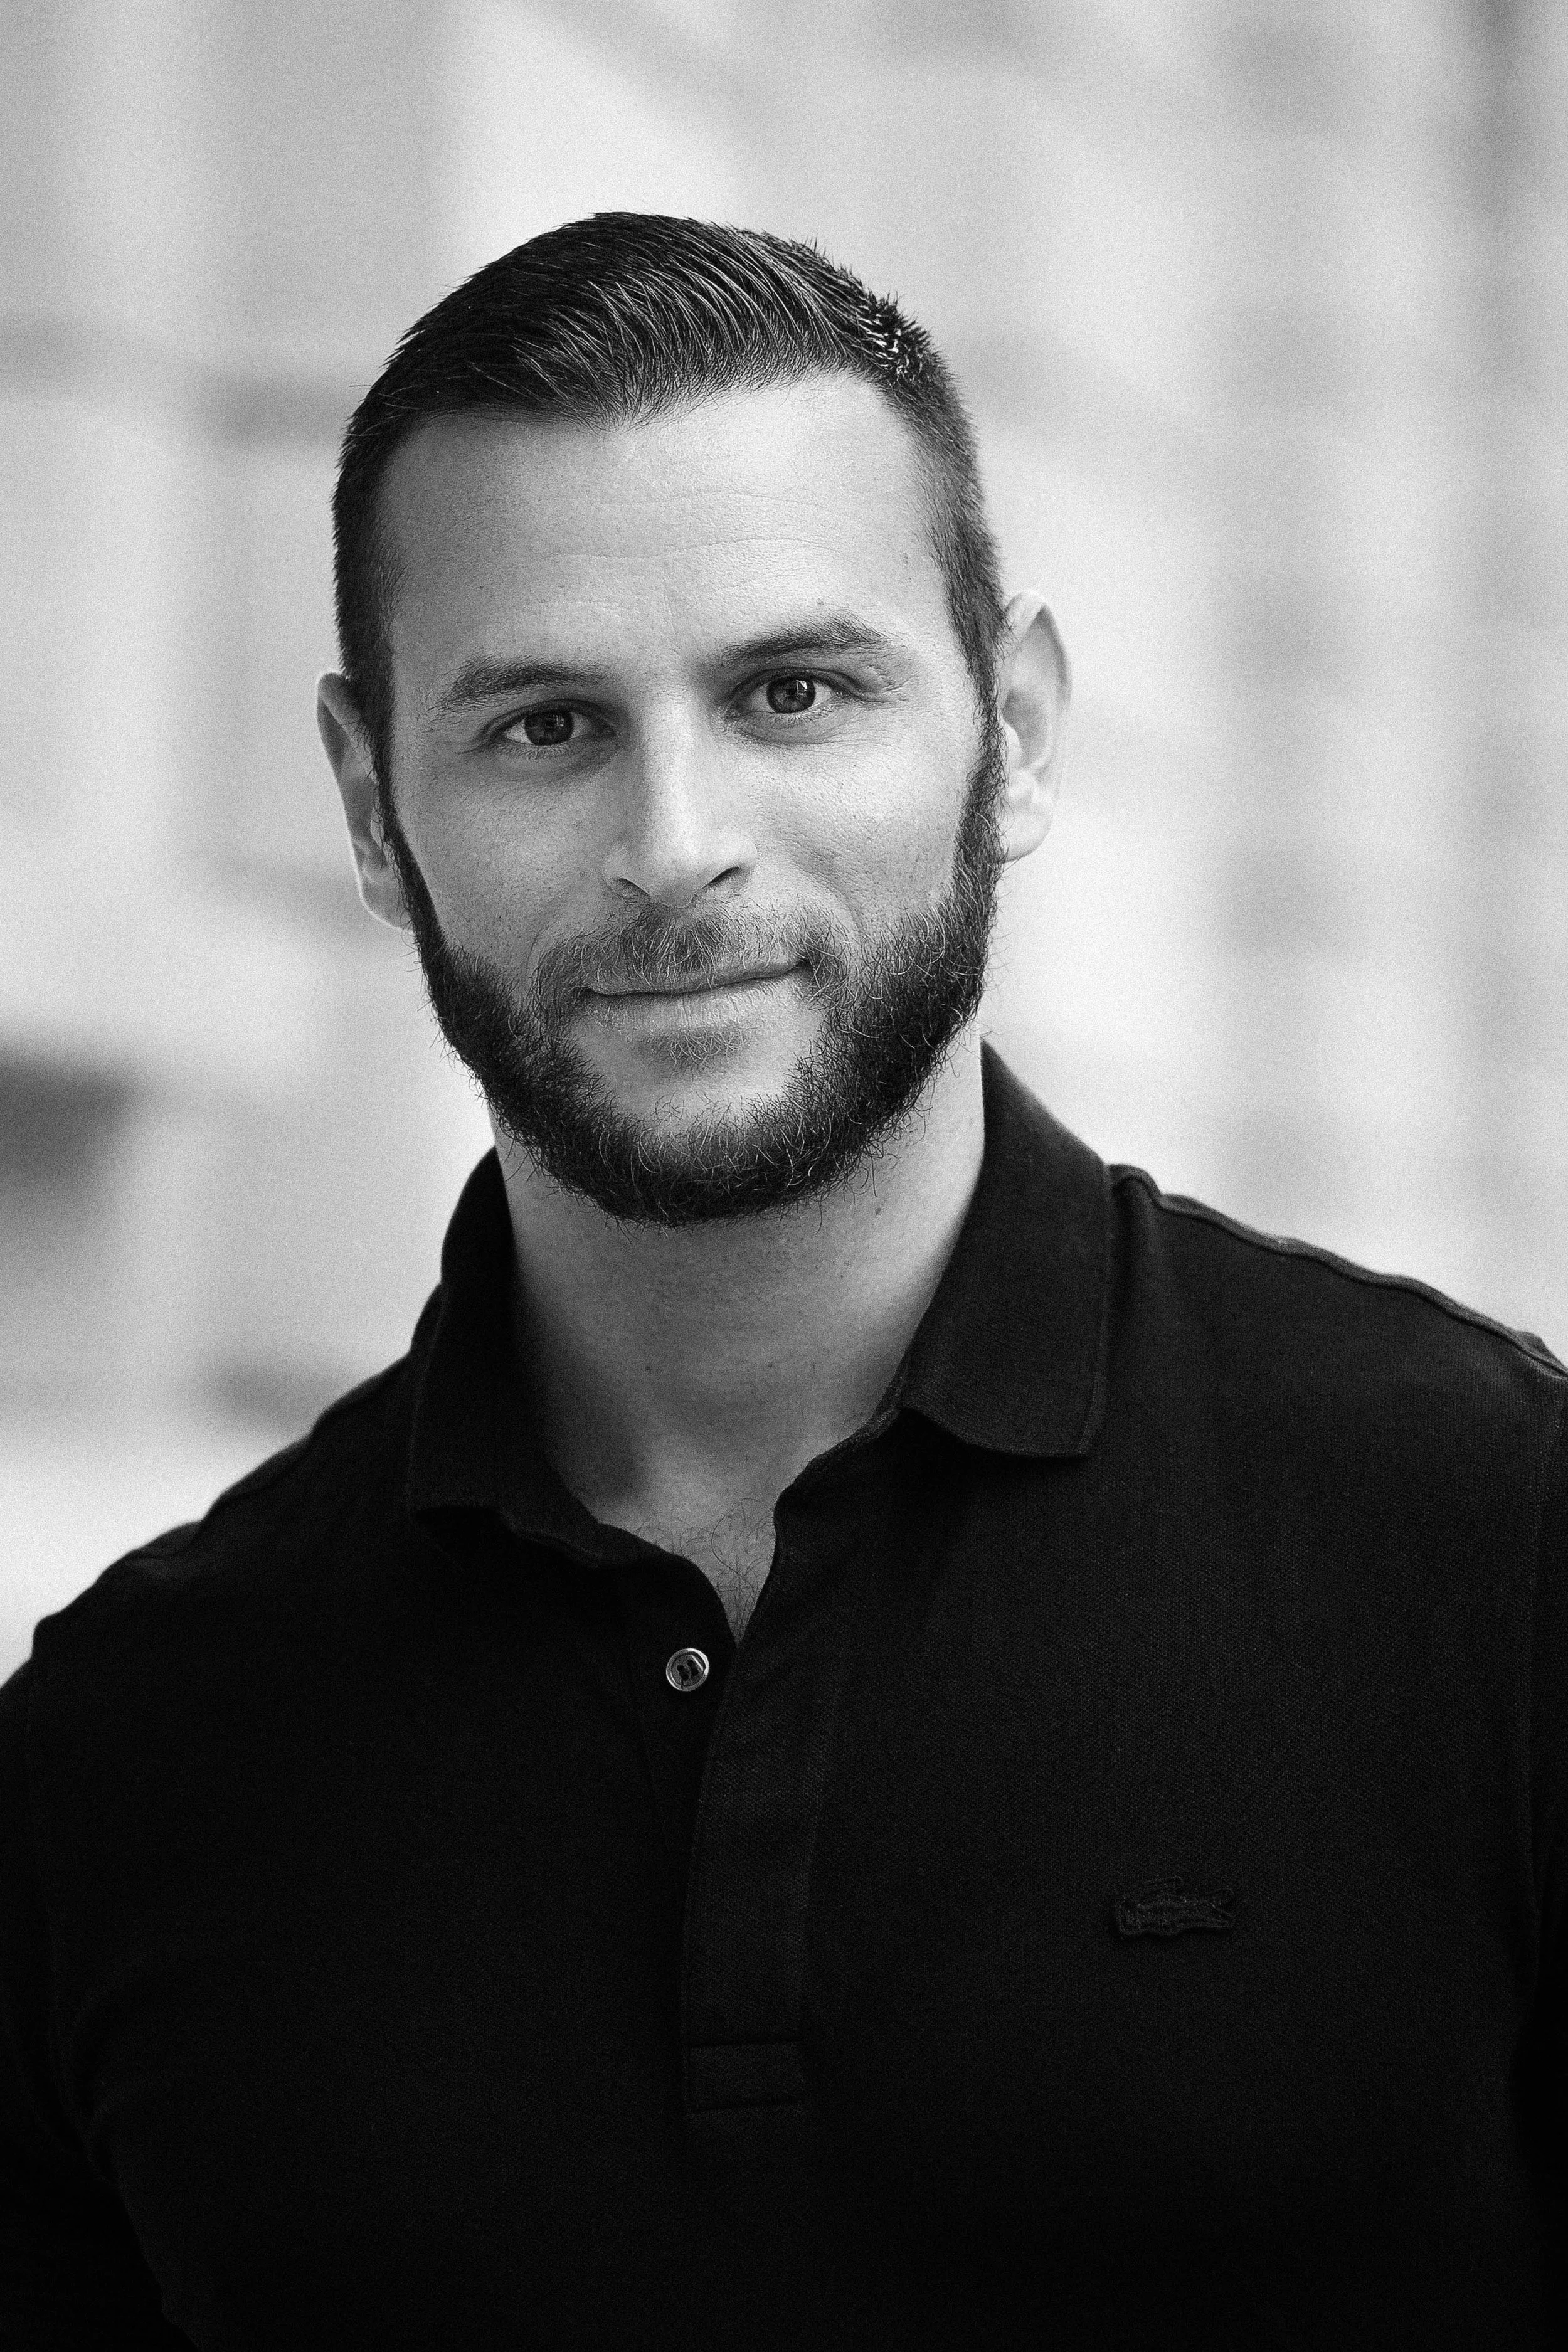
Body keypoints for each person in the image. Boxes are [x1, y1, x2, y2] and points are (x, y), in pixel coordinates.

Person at [1, 213, 1564, 2351]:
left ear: (1008, 730)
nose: (676, 843)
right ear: (375, 806)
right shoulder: (123, 1755)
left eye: (792, 692)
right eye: (545, 725)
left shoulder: (1488, 1543)